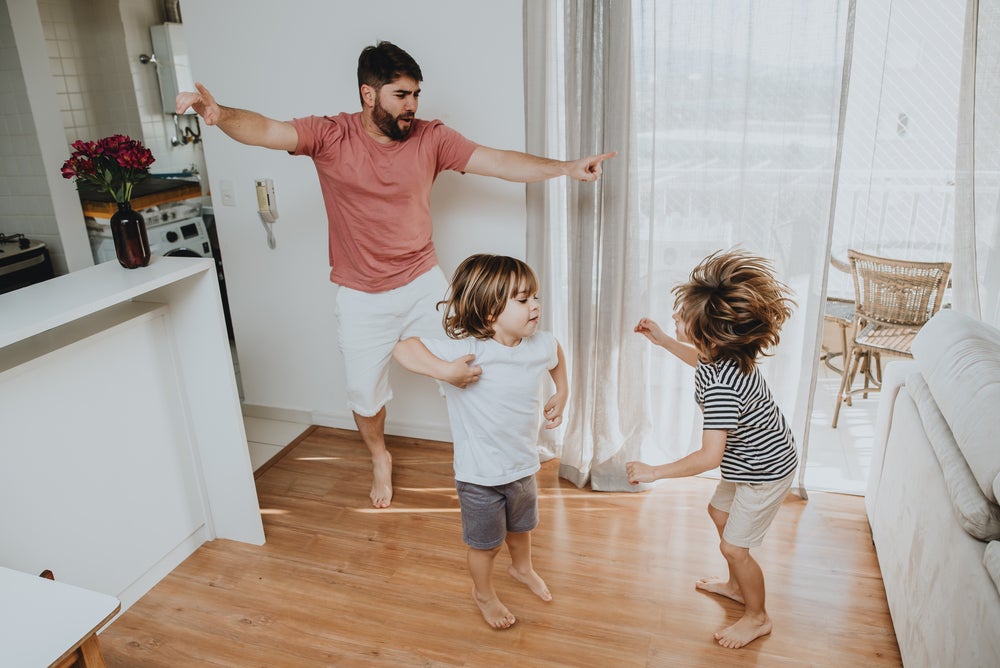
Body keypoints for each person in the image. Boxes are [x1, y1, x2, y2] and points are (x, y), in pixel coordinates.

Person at [175, 41, 613, 509]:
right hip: (360, 293)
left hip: (423, 280)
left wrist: (566, 168)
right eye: (401, 95)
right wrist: (219, 114)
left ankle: (497, 459)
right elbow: (267, 129)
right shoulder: (330, 135)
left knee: (474, 365)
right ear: (369, 94)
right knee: (365, 396)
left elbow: (499, 161)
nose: (412, 106)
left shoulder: (431, 138)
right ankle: (379, 456)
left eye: (416, 95)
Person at [624, 249, 797, 650]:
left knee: (734, 546)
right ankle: (738, 586)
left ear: (709, 335)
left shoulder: (722, 387)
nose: (674, 318)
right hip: (753, 460)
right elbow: (697, 360)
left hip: (764, 470)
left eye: (680, 318)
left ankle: (758, 616)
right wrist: (666, 342)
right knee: (718, 511)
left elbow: (708, 457)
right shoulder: (719, 355)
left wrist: (654, 471)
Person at [392, 254, 567, 629]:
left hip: (523, 468)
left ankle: (522, 569)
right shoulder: (468, 352)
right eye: (523, 300)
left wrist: (562, 392)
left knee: (522, 529)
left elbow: (557, 356)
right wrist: (446, 373)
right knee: (485, 545)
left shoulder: (538, 344)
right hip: (479, 477)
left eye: (535, 297)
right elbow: (403, 348)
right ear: (490, 312)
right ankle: (483, 593)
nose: (535, 306)